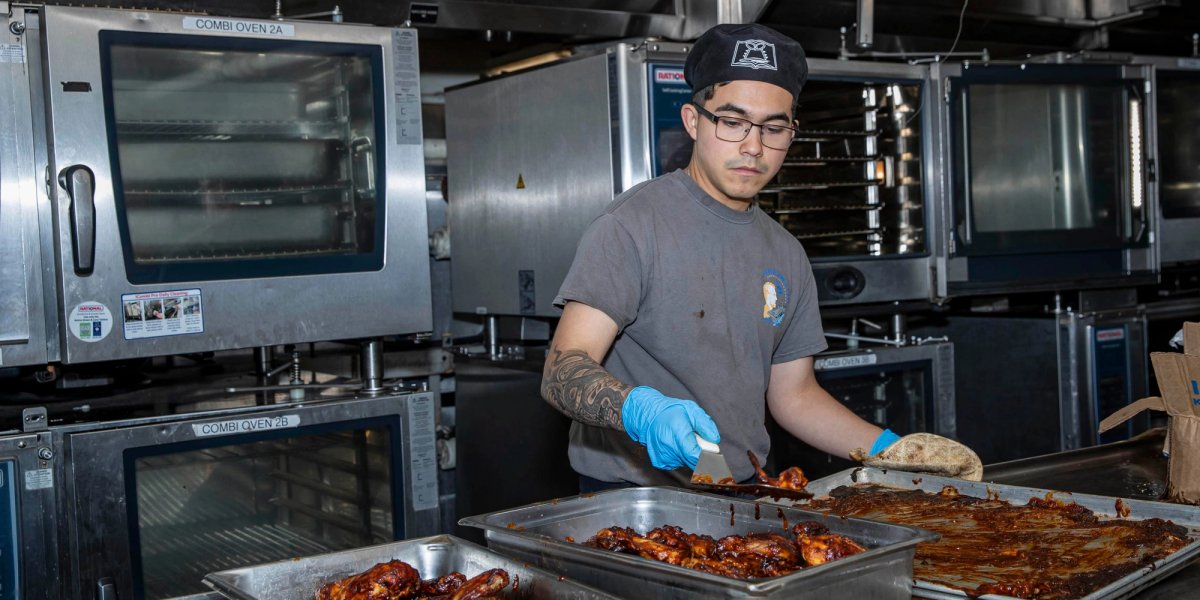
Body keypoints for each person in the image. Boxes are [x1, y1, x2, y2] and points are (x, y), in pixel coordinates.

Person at [541, 23, 981, 491]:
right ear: (693, 121)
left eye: (774, 128)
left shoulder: (785, 252)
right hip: (632, 496)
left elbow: (795, 396)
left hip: (744, 486)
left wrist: (893, 450)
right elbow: (562, 369)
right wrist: (639, 411)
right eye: (732, 122)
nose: (754, 146)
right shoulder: (631, 226)